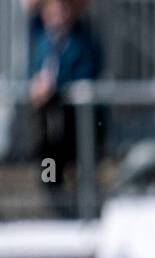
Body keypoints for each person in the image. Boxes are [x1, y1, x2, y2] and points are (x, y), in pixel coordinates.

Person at [25, 0, 101, 213]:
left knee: (77, 164)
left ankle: (81, 207)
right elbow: (29, 8)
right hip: (47, 123)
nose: (58, 16)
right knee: (48, 163)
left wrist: (55, 87)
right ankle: (54, 201)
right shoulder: (42, 38)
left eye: (63, 10)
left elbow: (86, 73)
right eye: (54, 11)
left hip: (73, 119)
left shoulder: (83, 40)